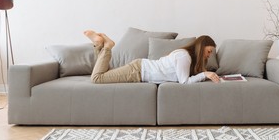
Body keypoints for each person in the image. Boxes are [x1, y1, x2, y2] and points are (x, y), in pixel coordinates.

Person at [84, 30, 221, 84]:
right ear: (201, 46)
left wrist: (204, 73)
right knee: (97, 78)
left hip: (139, 69)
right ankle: (107, 46)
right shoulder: (184, 56)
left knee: (105, 72)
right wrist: (205, 74)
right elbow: (184, 82)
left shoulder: (187, 58)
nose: (209, 55)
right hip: (138, 71)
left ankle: (99, 45)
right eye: (208, 51)